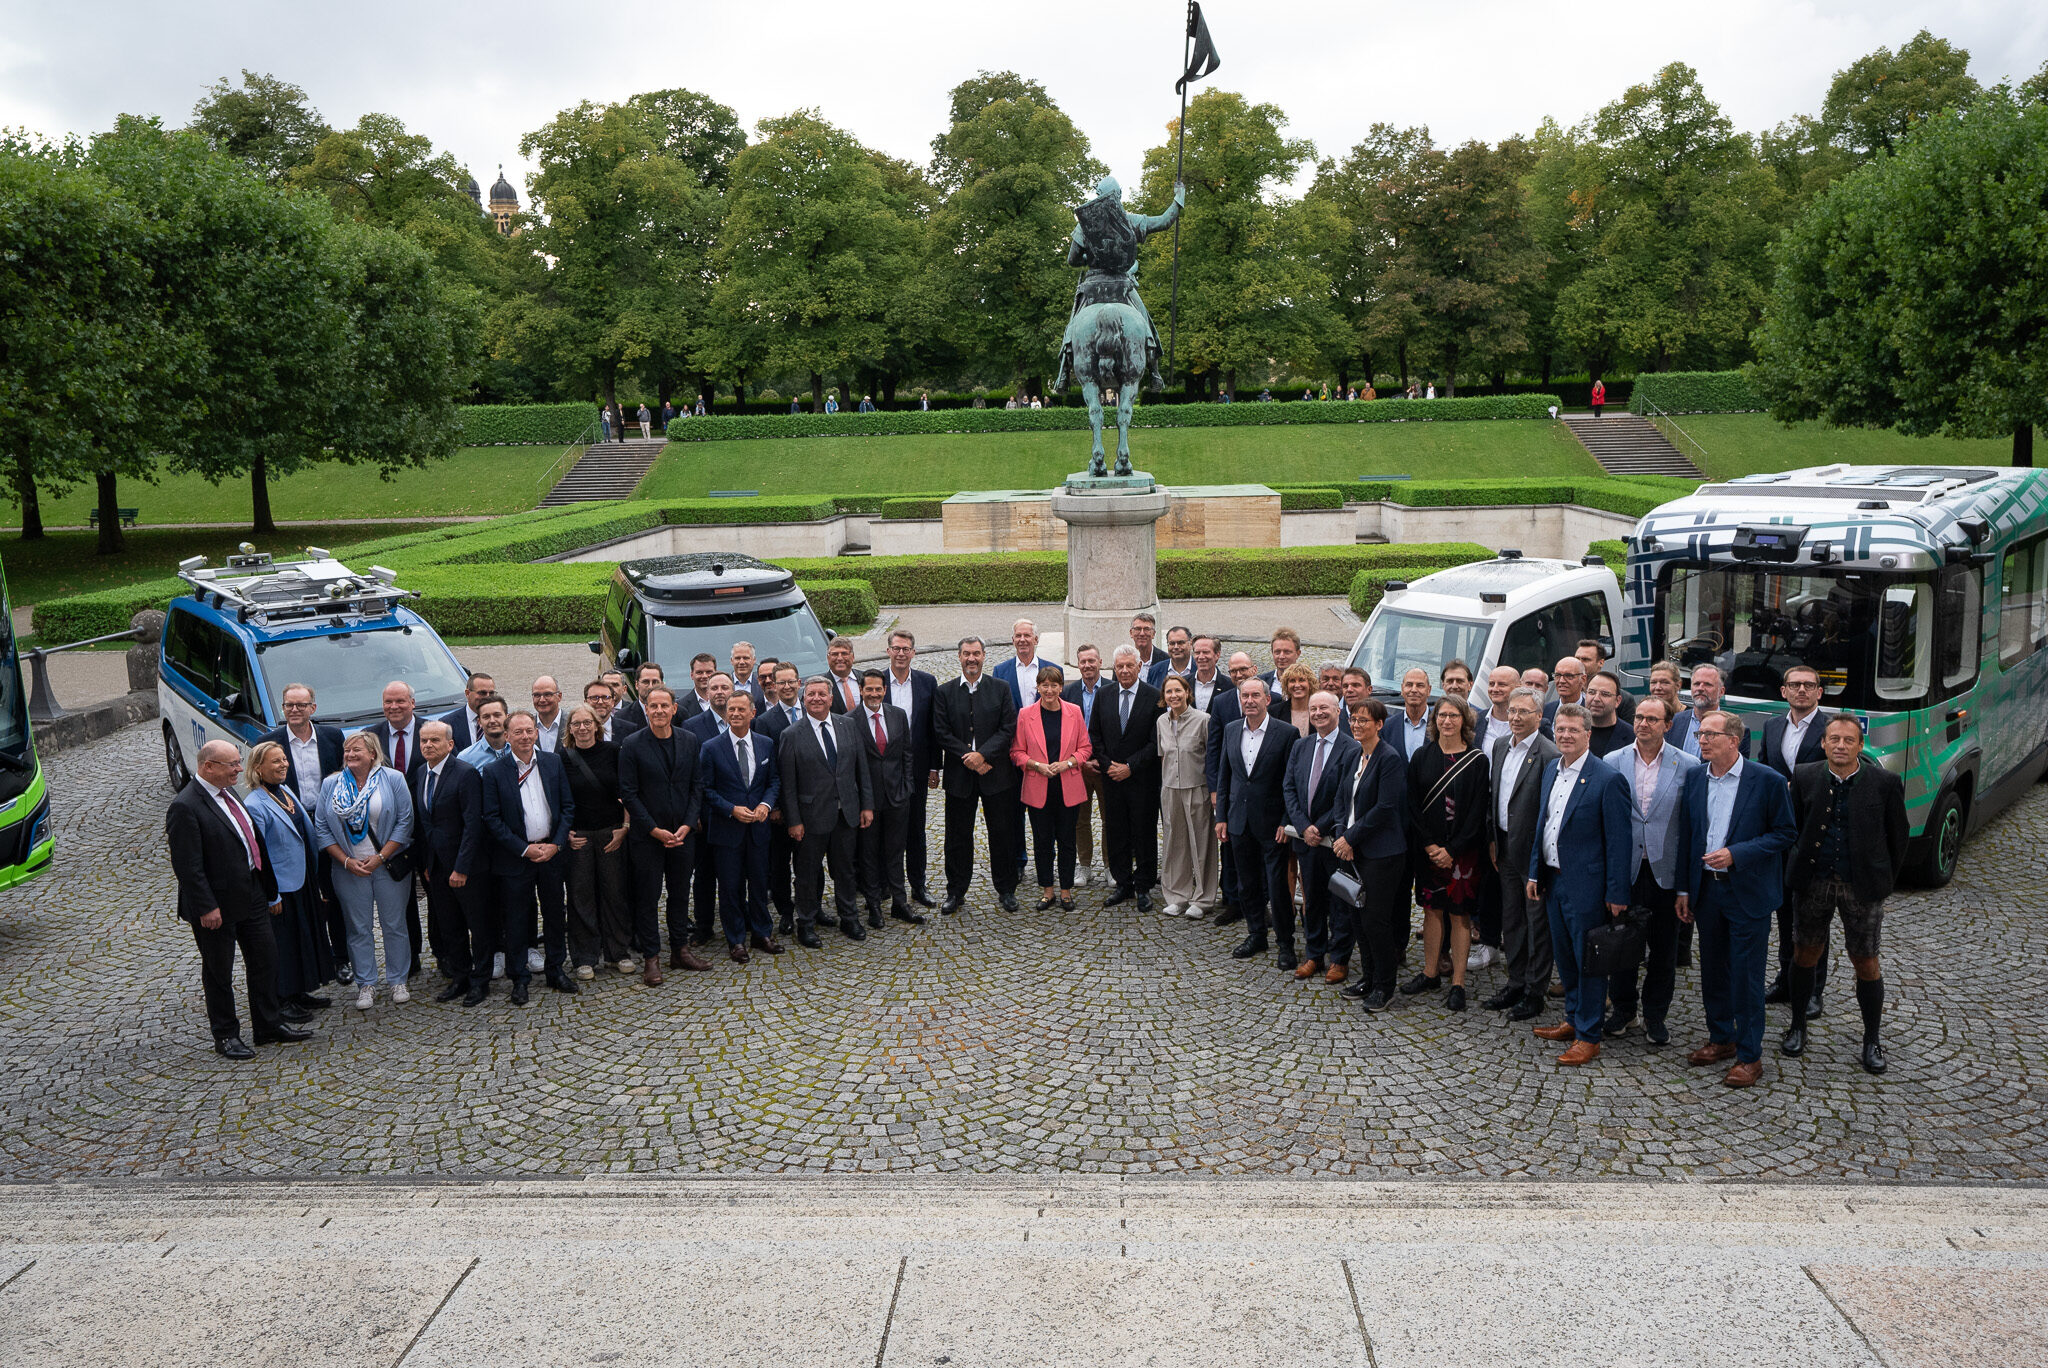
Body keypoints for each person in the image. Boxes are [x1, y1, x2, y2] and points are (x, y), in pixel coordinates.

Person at [1782, 716, 1909, 1074]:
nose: (1840, 745)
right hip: (1813, 882)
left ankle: (1871, 1039)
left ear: (1860, 746)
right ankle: (1797, 1026)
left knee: (1866, 961)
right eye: (1834, 739)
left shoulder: (1885, 782)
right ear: (1823, 743)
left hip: (1862, 886)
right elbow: (1792, 827)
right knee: (1804, 954)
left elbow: (1898, 835)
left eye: (1848, 740)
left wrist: (1882, 878)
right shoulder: (1805, 776)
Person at [1680, 710, 1798, 1087]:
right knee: (1713, 969)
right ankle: (1721, 1038)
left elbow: (1785, 833)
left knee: (1746, 975)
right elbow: (1688, 835)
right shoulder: (1695, 777)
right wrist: (1684, 889)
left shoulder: (1767, 781)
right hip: (1706, 890)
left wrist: (1737, 854)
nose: (1702, 741)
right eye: (1700, 735)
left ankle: (1750, 1055)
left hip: (1747, 892)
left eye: (1710, 735)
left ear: (1734, 740)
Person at [168, 741, 305, 1058]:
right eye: (232, 764)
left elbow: (251, 842)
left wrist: (268, 891)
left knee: (265, 959)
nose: (239, 769)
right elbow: (187, 866)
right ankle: (226, 1035)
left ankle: (268, 1025)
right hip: (216, 906)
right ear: (208, 767)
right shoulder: (185, 806)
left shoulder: (228, 793)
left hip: (251, 894)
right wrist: (207, 907)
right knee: (219, 972)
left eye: (238, 762)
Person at [1525, 705, 1633, 1065]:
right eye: (1561, 729)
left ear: (1588, 734)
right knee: (1566, 958)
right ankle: (1572, 1018)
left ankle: (1589, 1035)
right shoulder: (1551, 770)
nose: (1566, 735)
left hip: (1588, 888)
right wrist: (1535, 872)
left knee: (1590, 963)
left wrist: (1617, 892)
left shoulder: (1607, 779)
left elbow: (1619, 842)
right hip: (1554, 881)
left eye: (1573, 730)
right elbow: (1544, 826)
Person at [1604, 697, 1699, 1045]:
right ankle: (1624, 1010)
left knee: (1663, 950)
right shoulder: (1613, 761)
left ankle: (1655, 1016)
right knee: (1623, 946)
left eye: (1652, 719)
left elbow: (1691, 826)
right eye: (1640, 717)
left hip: (1665, 872)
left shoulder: (1687, 764)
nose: (1643, 724)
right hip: (1625, 869)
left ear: (1667, 725)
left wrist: (1685, 886)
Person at [314, 731, 416, 1010]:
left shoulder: (393, 779)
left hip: (386, 863)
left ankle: (398, 980)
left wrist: (381, 857)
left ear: (372, 754)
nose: (350, 755)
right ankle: (366, 984)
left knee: (394, 925)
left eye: (356, 750)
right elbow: (321, 827)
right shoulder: (331, 784)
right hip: (348, 868)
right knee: (358, 928)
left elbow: (405, 822)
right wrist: (346, 861)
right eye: (347, 750)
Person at [479, 711, 576, 1001]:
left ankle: (556, 969)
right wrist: (523, 848)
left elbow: (567, 807)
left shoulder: (552, 762)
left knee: (555, 915)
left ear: (536, 733)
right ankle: (519, 977)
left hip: (551, 854)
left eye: (529, 731)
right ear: (507, 736)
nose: (524, 736)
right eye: (518, 732)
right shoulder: (494, 771)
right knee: (516, 920)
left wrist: (556, 844)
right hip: (516, 858)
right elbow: (492, 818)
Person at [1404, 697, 1492, 1012]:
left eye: (1454, 715)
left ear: (1464, 721)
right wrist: (1430, 845)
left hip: (1463, 856)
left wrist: (1452, 850)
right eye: (1442, 715)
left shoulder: (1477, 760)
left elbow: (1478, 812)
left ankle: (1458, 982)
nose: (1447, 721)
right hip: (1427, 851)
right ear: (1434, 720)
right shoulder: (1422, 756)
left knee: (1459, 915)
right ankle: (1430, 973)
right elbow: (1412, 805)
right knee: (1431, 911)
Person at [617, 686, 711, 981]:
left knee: (680, 894)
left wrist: (688, 824)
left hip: (683, 834)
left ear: (674, 709)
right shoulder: (632, 744)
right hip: (648, 836)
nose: (658, 711)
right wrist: (653, 829)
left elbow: (697, 785)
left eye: (664, 706)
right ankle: (651, 957)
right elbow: (629, 793)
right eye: (653, 706)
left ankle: (680, 950)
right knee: (648, 897)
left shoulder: (689, 740)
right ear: (646, 709)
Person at [258, 682, 347, 985]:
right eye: (289, 705)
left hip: (330, 823)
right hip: (291, 823)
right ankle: (314, 960)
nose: (294, 710)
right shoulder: (270, 742)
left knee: (334, 893)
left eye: (301, 705)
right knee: (304, 895)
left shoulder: (332, 737)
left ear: (313, 708)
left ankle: (341, 958)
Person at [1757, 664, 1832, 1016]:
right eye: (1795, 684)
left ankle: (1814, 987)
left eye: (1808, 685)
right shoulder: (1773, 726)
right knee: (1784, 912)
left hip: (1814, 834)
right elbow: (1763, 770)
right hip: (1779, 834)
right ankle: (1786, 979)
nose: (1801, 690)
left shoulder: (1830, 729)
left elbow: (1836, 774)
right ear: (1783, 691)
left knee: (1813, 917)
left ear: (1819, 692)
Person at [239, 742, 332, 1024]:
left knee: (303, 936)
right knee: (285, 943)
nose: (284, 765)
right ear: (258, 768)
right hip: (281, 886)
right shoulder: (255, 804)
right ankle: (282, 998)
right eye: (276, 761)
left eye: (284, 760)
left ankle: (299, 990)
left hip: (303, 879)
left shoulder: (285, 790)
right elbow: (259, 855)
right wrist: (272, 895)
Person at [780, 676, 874, 944]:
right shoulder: (791, 735)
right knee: (807, 874)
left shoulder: (848, 725)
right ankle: (806, 924)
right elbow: (788, 784)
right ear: (803, 699)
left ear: (831, 699)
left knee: (845, 870)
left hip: (846, 812)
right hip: (810, 818)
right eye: (811, 694)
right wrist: (794, 820)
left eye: (822, 694)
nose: (817, 698)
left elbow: (861, 768)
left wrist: (866, 805)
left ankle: (849, 918)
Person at [1486, 687, 1558, 1021]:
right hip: (1503, 846)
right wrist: (1492, 838)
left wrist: (1538, 861)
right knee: (1511, 919)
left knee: (1536, 925)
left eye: (1523, 712)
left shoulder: (1549, 754)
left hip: (1532, 852)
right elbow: (1496, 796)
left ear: (1539, 717)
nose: (1515, 717)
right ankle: (1515, 982)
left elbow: (1548, 811)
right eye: (1512, 711)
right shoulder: (1500, 745)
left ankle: (1534, 991)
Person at [1330, 700, 1408, 1007]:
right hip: (1351, 850)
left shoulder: (1389, 758)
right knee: (1357, 918)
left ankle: (1385, 985)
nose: (1357, 725)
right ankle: (1368, 977)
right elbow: (1341, 798)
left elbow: (1385, 808)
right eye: (1353, 720)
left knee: (1376, 920)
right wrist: (1341, 834)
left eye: (1364, 720)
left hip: (1381, 852)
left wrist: (1350, 838)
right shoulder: (1354, 754)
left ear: (1379, 724)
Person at [1215, 678, 1298, 967]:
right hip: (1239, 820)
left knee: (1277, 886)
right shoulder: (1231, 729)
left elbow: (1291, 781)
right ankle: (1256, 934)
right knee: (1246, 883)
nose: (1249, 701)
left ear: (1267, 699)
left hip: (1273, 824)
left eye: (1255, 696)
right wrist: (1222, 816)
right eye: (1245, 696)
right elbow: (1225, 776)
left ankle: (1285, 943)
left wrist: (1286, 820)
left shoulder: (1286, 733)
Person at [934, 637, 1020, 914]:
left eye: (976, 653)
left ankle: (1006, 889)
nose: (971, 658)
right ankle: (956, 891)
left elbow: (1008, 728)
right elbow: (941, 732)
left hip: (995, 773)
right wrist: (969, 757)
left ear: (984, 656)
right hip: (960, 776)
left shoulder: (1001, 688)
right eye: (966, 654)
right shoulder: (945, 692)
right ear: (959, 656)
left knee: (1002, 833)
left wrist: (983, 755)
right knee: (957, 836)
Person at [1284, 690, 1361, 982]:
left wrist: (1320, 826)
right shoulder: (1301, 746)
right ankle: (1314, 954)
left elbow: (1345, 795)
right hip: (1307, 840)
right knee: (1312, 900)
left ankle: (1339, 959)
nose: (1318, 713)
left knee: (1340, 901)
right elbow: (1289, 788)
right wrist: (1303, 826)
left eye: (1324, 708)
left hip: (1334, 841)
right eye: (1313, 708)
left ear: (1338, 711)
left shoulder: (1351, 748)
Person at [410, 721, 488, 1004]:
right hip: (437, 867)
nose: (428, 745)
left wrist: (461, 868)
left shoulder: (465, 774)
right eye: (424, 741)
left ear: (450, 744)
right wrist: (427, 864)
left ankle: (481, 981)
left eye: (435, 740)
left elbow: (473, 825)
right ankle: (460, 977)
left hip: (466, 867)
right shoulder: (422, 773)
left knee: (477, 926)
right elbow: (424, 824)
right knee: (450, 925)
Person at [704, 691, 783, 960]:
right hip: (727, 831)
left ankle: (762, 934)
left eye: (741, 709)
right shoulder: (711, 747)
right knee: (730, 887)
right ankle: (736, 939)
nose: (735, 714)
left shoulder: (766, 744)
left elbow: (773, 781)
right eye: (731, 710)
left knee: (759, 884)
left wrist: (766, 805)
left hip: (759, 830)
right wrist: (731, 809)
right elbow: (705, 789)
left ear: (753, 713)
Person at [560, 704, 631, 979]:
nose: (582, 728)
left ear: (596, 725)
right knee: (581, 897)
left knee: (615, 893)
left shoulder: (613, 751)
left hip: (611, 832)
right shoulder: (561, 758)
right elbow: (556, 798)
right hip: (579, 836)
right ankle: (585, 957)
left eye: (587, 722)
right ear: (569, 729)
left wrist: (625, 827)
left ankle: (618, 953)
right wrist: (565, 833)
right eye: (576, 723)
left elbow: (627, 792)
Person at [1013, 664, 1092, 910]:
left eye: (1054, 685)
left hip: (1067, 786)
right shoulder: (1025, 714)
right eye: (1044, 685)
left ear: (1061, 688)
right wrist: (1037, 765)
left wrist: (1067, 763)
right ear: (1038, 687)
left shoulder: (1074, 712)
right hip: (1039, 786)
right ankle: (1047, 891)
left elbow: (1085, 748)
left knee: (1067, 840)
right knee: (1042, 841)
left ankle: (1066, 891)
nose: (1049, 690)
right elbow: (1017, 752)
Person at [1091, 645, 1163, 912]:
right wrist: (1109, 765)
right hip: (1112, 778)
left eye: (1129, 666)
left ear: (1139, 667)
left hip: (1142, 778)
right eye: (1119, 666)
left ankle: (1143, 886)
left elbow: (1155, 741)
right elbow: (1095, 735)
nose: (1124, 671)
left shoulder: (1153, 696)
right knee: (1116, 830)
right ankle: (1123, 883)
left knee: (1144, 832)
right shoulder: (1104, 694)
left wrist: (1130, 767)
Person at [855, 669, 921, 927]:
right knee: (869, 855)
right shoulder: (850, 721)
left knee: (895, 851)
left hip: (897, 796)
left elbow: (906, 753)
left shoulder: (897, 715)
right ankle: (874, 905)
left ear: (885, 690)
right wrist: (863, 801)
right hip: (868, 802)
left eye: (878, 689)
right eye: (869, 689)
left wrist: (907, 786)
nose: (874, 694)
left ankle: (900, 903)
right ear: (861, 690)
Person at [882, 629, 941, 907]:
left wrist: (935, 767)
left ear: (914, 652)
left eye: (906, 649)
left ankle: (918, 885)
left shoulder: (927, 682)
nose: (901, 653)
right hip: (884, 770)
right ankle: (886, 885)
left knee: (916, 829)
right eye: (896, 648)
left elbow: (933, 728)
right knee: (886, 829)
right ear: (888, 651)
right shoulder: (876, 681)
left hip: (917, 768)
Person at [1154, 674, 1216, 918]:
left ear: (1187, 692)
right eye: (1169, 692)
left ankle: (1203, 899)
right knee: (1174, 844)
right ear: (1164, 696)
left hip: (1197, 788)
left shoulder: (1203, 720)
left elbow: (1211, 758)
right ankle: (1177, 896)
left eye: (1178, 690)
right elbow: (1163, 756)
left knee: (1202, 845)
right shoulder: (1161, 722)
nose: (1174, 696)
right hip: (1170, 789)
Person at [758, 663, 807, 932]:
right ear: (774, 686)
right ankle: (785, 911)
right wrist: (774, 805)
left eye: (791, 682)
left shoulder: (812, 710)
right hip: (780, 807)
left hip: (810, 801)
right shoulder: (765, 722)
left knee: (809, 861)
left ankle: (810, 907)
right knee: (779, 864)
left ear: (799, 683)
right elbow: (767, 768)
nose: (787, 687)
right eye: (781, 683)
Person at [1064, 645, 1112, 888]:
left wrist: (1102, 761)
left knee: (1109, 818)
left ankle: (1110, 865)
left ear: (1100, 662)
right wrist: (1080, 761)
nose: (1087, 665)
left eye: (1092, 660)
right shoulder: (1068, 692)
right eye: (1083, 661)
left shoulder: (1113, 689)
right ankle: (1084, 865)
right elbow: (1064, 733)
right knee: (1079, 819)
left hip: (1105, 766)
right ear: (1078, 664)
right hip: (1077, 766)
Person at [1572, 640, 1636, 722]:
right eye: (1577, 659)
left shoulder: (1624, 700)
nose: (1579, 663)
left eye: (1585, 659)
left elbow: (1628, 729)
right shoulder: (1570, 693)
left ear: (1601, 662)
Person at [437, 671, 496, 753]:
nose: (488, 697)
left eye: (491, 693)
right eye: (482, 693)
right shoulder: (447, 724)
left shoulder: (503, 722)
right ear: (467, 693)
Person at [1677, 663, 1724, 759]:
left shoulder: (1733, 729)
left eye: (1708, 684)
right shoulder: (1675, 721)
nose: (1700, 688)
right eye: (1696, 684)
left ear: (1721, 692)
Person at [1647, 662, 1693, 752]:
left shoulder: (1691, 719)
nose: (1657, 687)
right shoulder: (1645, 717)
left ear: (1678, 685)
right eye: (1653, 682)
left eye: (1665, 683)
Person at [458, 696, 512, 771]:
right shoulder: (465, 758)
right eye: (486, 717)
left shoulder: (522, 749)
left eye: (497, 715)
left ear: (507, 718)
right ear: (479, 722)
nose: (492, 720)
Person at [1583, 672, 1630, 756]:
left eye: (1605, 694)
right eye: (1591, 692)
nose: (1596, 699)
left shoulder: (1632, 737)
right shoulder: (1572, 732)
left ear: (1618, 701)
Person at [1390, 668, 1433, 758]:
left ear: (1429, 690)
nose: (1414, 690)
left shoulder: (1440, 725)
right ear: (1402, 689)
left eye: (1420, 685)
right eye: (1409, 685)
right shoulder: (1388, 727)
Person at [585, 678, 641, 744]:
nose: (600, 702)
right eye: (594, 698)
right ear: (585, 702)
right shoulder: (577, 730)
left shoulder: (631, 730)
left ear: (612, 702)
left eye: (605, 697)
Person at [1271, 662, 1316, 734]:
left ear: (1310, 684)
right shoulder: (1274, 712)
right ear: (1286, 685)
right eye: (1292, 681)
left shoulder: (1319, 711)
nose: (1297, 685)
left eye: (1301, 680)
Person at [1145, 625, 1193, 690]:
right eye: (1172, 643)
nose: (1176, 647)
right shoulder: (1155, 671)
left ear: (1190, 644)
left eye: (1180, 643)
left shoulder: (1199, 669)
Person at [1186, 636, 1225, 711]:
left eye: (1205, 652)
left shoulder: (1229, 686)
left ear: (1217, 655)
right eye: (1197, 653)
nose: (1201, 657)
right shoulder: (1184, 683)